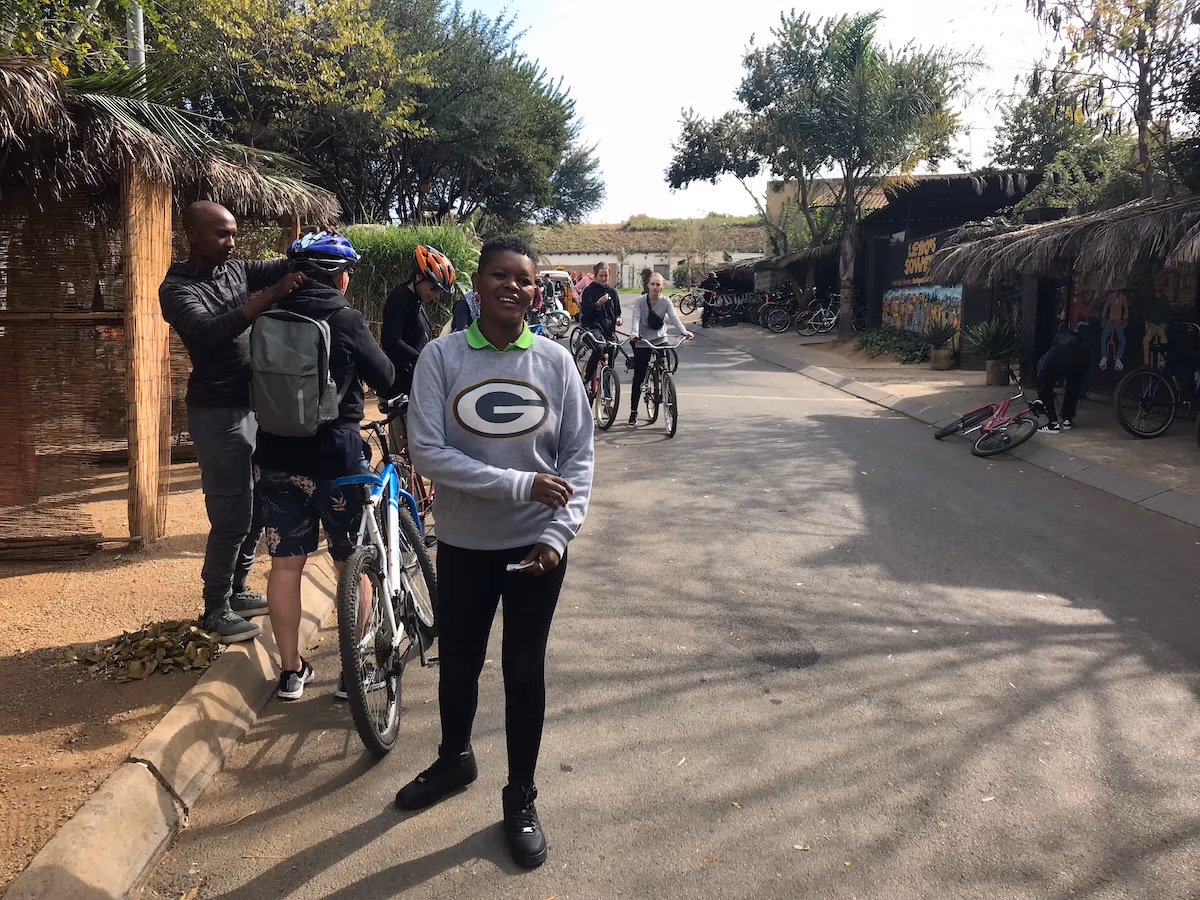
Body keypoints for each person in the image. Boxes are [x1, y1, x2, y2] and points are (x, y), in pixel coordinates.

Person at [398, 235, 594, 870]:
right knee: (458, 662)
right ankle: (455, 758)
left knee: (523, 671)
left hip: (536, 548)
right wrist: (518, 484)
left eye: (525, 279)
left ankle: (521, 795)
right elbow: (427, 451)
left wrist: (557, 533)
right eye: (500, 276)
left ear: (537, 292)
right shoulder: (442, 357)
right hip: (465, 543)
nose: (514, 286)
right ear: (477, 285)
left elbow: (579, 457)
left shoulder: (557, 363)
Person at [250, 232, 396, 699]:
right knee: (351, 563)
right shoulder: (345, 317)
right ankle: (354, 673)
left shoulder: (266, 314)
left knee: (285, 567)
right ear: (341, 276)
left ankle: (291, 672)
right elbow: (386, 376)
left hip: (274, 455)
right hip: (336, 457)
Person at [159, 201, 305, 643]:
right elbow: (207, 332)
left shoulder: (237, 269)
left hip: (254, 407)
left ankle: (239, 590)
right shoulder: (176, 288)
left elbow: (285, 263)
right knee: (231, 514)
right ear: (192, 234)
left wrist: (310, 249)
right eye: (222, 234)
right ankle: (214, 608)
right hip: (217, 412)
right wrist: (266, 300)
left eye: (234, 234)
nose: (232, 242)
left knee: (259, 504)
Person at [381, 244, 456, 395]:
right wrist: (423, 359)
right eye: (434, 288)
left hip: (416, 382)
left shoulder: (417, 300)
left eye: (440, 291)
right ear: (419, 277)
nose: (436, 295)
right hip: (402, 387)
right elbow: (391, 340)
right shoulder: (400, 298)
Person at [628, 272, 693, 425]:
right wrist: (634, 333)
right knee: (639, 375)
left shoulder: (666, 302)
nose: (655, 287)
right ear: (648, 285)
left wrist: (684, 331)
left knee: (665, 369)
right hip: (643, 341)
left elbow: (674, 318)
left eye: (658, 284)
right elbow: (636, 318)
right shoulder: (639, 301)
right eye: (653, 284)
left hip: (660, 340)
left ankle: (666, 392)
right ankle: (633, 411)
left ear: (662, 286)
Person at [1036, 326, 1089, 433]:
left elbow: (1043, 364)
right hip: (1080, 359)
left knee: (1044, 388)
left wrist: (1042, 381)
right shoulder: (1080, 345)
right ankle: (1067, 420)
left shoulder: (1057, 347)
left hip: (1058, 359)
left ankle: (1053, 424)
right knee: (1073, 388)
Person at [579, 263, 621, 392]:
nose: (603, 278)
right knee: (599, 347)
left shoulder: (612, 292)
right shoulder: (589, 291)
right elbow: (585, 312)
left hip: (608, 329)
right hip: (592, 327)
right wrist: (598, 303)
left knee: (614, 347)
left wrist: (619, 318)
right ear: (595, 275)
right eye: (601, 276)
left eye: (606, 276)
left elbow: (617, 311)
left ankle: (608, 381)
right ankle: (587, 379)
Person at [1098, 289, 1129, 372]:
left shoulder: (1123, 298)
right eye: (1116, 291)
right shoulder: (1110, 297)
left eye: (1119, 291)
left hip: (1118, 322)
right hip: (1110, 321)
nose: (1117, 293)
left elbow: (1126, 309)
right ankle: (1104, 358)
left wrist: (1125, 319)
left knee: (1122, 341)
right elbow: (1106, 306)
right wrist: (1103, 317)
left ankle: (1118, 359)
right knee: (1103, 337)